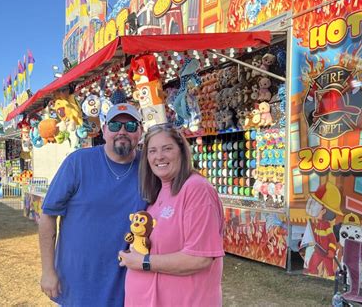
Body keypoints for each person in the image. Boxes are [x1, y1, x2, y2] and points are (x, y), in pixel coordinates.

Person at [39, 103, 147, 306]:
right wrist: (47, 271)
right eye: (115, 125)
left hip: (127, 285)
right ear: (104, 130)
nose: (122, 131)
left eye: (131, 126)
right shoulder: (78, 163)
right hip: (79, 284)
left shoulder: (149, 168)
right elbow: (48, 215)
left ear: (140, 131)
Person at [118, 124, 224, 306]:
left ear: (182, 151)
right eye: (152, 151)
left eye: (167, 148)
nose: (159, 156)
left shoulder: (196, 189)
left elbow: (200, 258)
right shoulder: (159, 191)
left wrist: (143, 262)